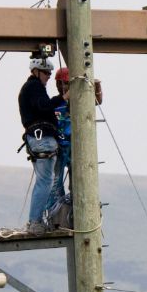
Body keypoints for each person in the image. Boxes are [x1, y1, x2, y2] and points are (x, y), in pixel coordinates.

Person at [47, 66, 103, 229]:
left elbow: (97, 101)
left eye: (64, 83)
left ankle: (76, 214)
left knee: (78, 182)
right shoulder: (55, 102)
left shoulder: (80, 102)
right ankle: (55, 216)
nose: (61, 87)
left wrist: (97, 86)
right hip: (59, 148)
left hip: (75, 149)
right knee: (55, 183)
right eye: (60, 83)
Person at [16, 52, 62, 235]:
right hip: (42, 139)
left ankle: (39, 219)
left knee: (45, 181)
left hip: (38, 139)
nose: (48, 77)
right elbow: (44, 106)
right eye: (46, 73)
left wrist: (60, 98)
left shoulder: (31, 87)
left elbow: (45, 105)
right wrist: (64, 98)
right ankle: (35, 222)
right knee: (45, 182)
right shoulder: (34, 87)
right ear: (36, 71)